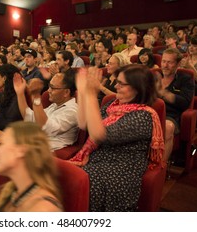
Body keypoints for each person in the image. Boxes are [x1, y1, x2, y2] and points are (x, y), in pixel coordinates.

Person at [69, 65, 164, 211]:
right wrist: (82, 91)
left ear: (138, 87)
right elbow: (84, 123)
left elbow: (99, 134)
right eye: (117, 82)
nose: (116, 86)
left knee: (76, 180)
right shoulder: (113, 105)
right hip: (98, 162)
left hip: (120, 171)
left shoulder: (143, 115)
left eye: (122, 83)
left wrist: (90, 94)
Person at [156, 48, 194, 162]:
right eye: (163, 61)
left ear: (178, 64)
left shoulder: (185, 79)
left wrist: (164, 94)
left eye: (170, 62)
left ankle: (161, 168)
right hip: (151, 112)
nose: (165, 65)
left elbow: (185, 103)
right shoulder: (154, 76)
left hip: (170, 115)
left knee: (168, 127)